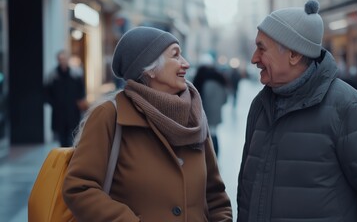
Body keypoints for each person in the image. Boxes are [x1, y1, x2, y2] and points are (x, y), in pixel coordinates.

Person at [237, 0, 357, 221]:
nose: (254, 59)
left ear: (294, 55)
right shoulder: (261, 105)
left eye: (261, 48)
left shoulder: (349, 108)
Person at [63, 26, 232, 221]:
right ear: (150, 68)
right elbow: (79, 187)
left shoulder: (194, 116)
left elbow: (215, 196)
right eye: (175, 56)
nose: (185, 64)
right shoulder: (110, 115)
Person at [45, 50, 86, 147]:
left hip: (73, 112)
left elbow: (82, 91)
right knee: (61, 140)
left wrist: (79, 102)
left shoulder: (75, 75)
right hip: (59, 113)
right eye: (60, 59)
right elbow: (46, 94)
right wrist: (54, 104)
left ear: (68, 60)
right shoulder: (52, 76)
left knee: (72, 138)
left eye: (64, 59)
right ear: (58, 60)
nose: (62, 61)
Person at [193, 62, 228, 156]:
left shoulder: (204, 82)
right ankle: (215, 155)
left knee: (208, 135)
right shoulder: (220, 81)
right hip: (216, 113)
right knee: (214, 133)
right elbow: (225, 99)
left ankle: (211, 155)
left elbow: (202, 100)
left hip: (206, 113)